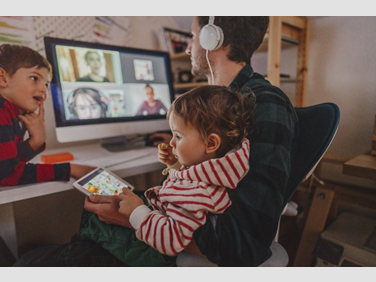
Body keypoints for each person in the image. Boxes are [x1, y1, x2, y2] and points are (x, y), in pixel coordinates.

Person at [15, 16, 298, 267]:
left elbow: (243, 246)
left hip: (173, 242)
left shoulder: (263, 104)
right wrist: (180, 150)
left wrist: (132, 217)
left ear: (213, 37)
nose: (187, 47)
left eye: (192, 35)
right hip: (169, 220)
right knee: (96, 211)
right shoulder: (225, 107)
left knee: (29, 263)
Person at [118, 85, 253, 256]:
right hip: (155, 223)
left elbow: (170, 240)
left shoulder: (198, 192)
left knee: (93, 226)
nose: (172, 142)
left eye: (178, 136)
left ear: (211, 143)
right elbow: (192, 178)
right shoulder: (214, 172)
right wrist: (174, 165)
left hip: (159, 250)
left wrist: (136, 211)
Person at [0, 44, 95, 186]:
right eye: (34, 78)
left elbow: (10, 163)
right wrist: (71, 169)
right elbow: (7, 174)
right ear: (3, 78)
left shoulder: (12, 113)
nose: (43, 89)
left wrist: (35, 142)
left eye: (46, 84)